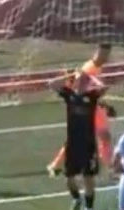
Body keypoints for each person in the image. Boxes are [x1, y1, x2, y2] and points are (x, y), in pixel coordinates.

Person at [47, 43, 114, 177]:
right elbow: (83, 88)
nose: (104, 57)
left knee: (102, 137)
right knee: (94, 137)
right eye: (102, 54)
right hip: (89, 108)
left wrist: (104, 104)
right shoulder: (89, 68)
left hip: (94, 106)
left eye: (106, 54)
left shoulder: (97, 67)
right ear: (96, 53)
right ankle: (110, 166)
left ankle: (56, 165)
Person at [48, 71, 107, 210]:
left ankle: (89, 208)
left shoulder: (91, 96)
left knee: (88, 177)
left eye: (84, 81)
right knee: (69, 177)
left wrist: (91, 77)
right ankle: (76, 198)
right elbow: (51, 84)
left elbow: (104, 87)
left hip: (88, 143)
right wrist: (70, 75)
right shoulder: (70, 95)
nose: (81, 83)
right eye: (79, 80)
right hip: (72, 143)